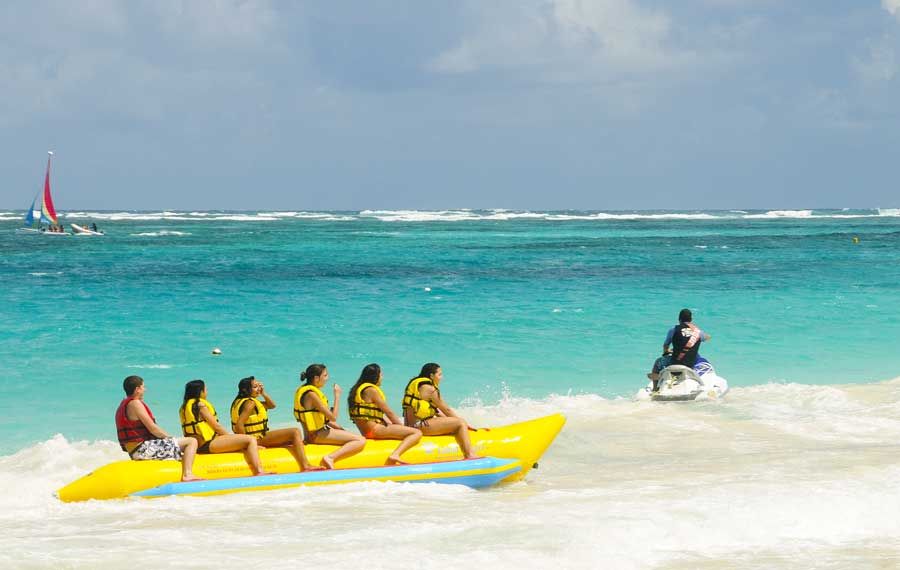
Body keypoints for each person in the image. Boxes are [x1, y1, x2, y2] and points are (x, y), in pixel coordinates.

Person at [114, 375, 201, 482]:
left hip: (135, 451)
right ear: (137, 389)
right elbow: (153, 428)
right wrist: (171, 438)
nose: (145, 390)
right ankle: (187, 474)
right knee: (191, 441)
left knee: (181, 446)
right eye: (143, 387)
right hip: (143, 449)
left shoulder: (123, 405)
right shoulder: (135, 403)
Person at [230, 376, 321, 472]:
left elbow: (272, 405)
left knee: (289, 441)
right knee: (295, 432)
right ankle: (306, 465)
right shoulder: (250, 404)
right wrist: (249, 445)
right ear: (246, 390)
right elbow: (239, 425)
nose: (258, 388)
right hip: (256, 439)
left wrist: (263, 393)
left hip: (255, 438)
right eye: (255, 387)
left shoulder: (242, 402)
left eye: (259, 386)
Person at [180, 379, 270, 475]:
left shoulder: (185, 406)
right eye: (206, 389)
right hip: (207, 444)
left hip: (196, 446)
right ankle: (259, 471)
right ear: (200, 391)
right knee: (250, 439)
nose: (207, 392)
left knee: (243, 441)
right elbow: (216, 427)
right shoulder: (200, 405)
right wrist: (232, 438)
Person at [293, 364, 366, 469]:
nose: (327, 378)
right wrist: (337, 395)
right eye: (325, 375)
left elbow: (320, 419)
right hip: (317, 435)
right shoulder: (311, 395)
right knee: (360, 440)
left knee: (348, 435)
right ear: (316, 378)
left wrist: (341, 429)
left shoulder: (304, 390)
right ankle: (330, 457)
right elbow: (333, 417)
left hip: (311, 435)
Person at [347, 363, 422, 465]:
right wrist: (402, 427)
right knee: (416, 433)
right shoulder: (371, 390)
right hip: (374, 431)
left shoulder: (357, 390)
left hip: (367, 431)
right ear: (375, 376)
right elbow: (389, 412)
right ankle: (395, 454)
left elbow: (375, 415)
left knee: (400, 428)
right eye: (381, 375)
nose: (382, 377)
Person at [401, 363, 478, 460]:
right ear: (431, 375)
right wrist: (463, 424)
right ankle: (470, 455)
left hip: (410, 425)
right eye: (440, 374)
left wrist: (449, 422)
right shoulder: (430, 389)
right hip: (418, 426)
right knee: (460, 423)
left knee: (453, 422)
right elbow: (446, 409)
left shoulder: (417, 385)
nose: (442, 377)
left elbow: (435, 411)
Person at [647, 308, 712, 390]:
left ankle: (655, 389)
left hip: (675, 362)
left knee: (658, 362)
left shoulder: (673, 330)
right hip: (690, 363)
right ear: (691, 319)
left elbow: (665, 345)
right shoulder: (698, 332)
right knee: (699, 359)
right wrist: (700, 333)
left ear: (679, 319)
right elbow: (708, 337)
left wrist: (666, 352)